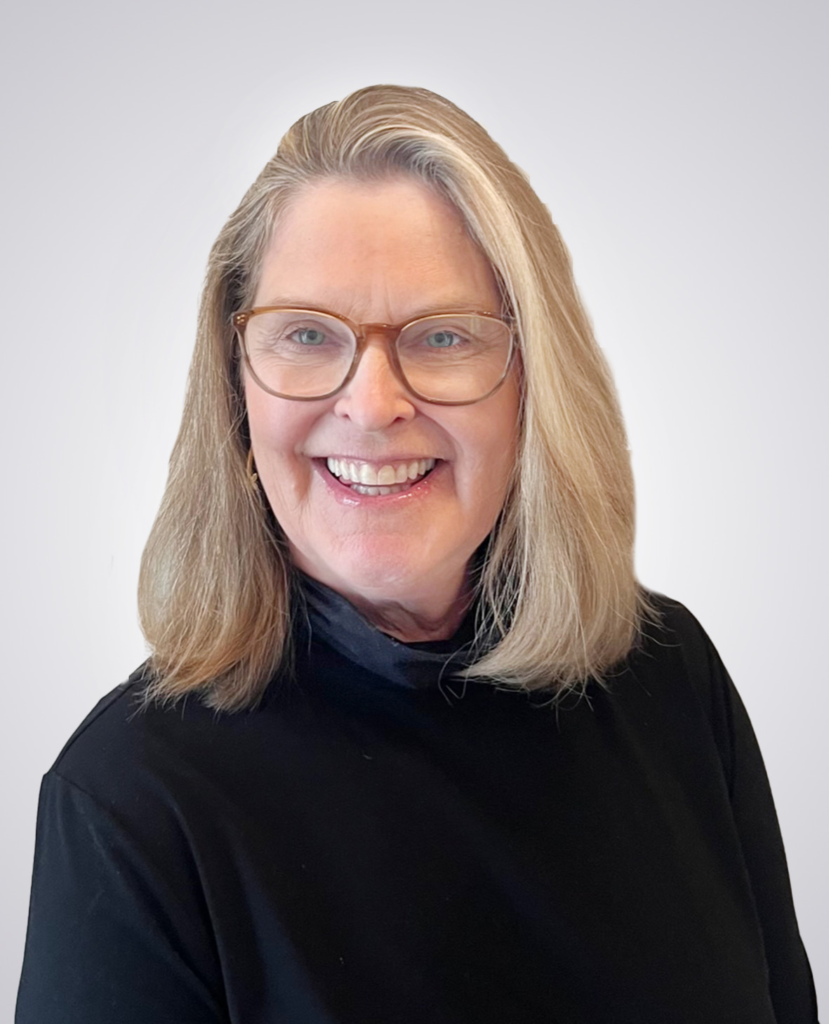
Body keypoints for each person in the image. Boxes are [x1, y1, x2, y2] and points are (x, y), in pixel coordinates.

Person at [16, 85, 817, 1024]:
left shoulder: (669, 674)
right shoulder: (131, 803)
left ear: (532, 388)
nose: (373, 403)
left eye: (442, 337)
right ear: (239, 398)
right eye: (308, 336)